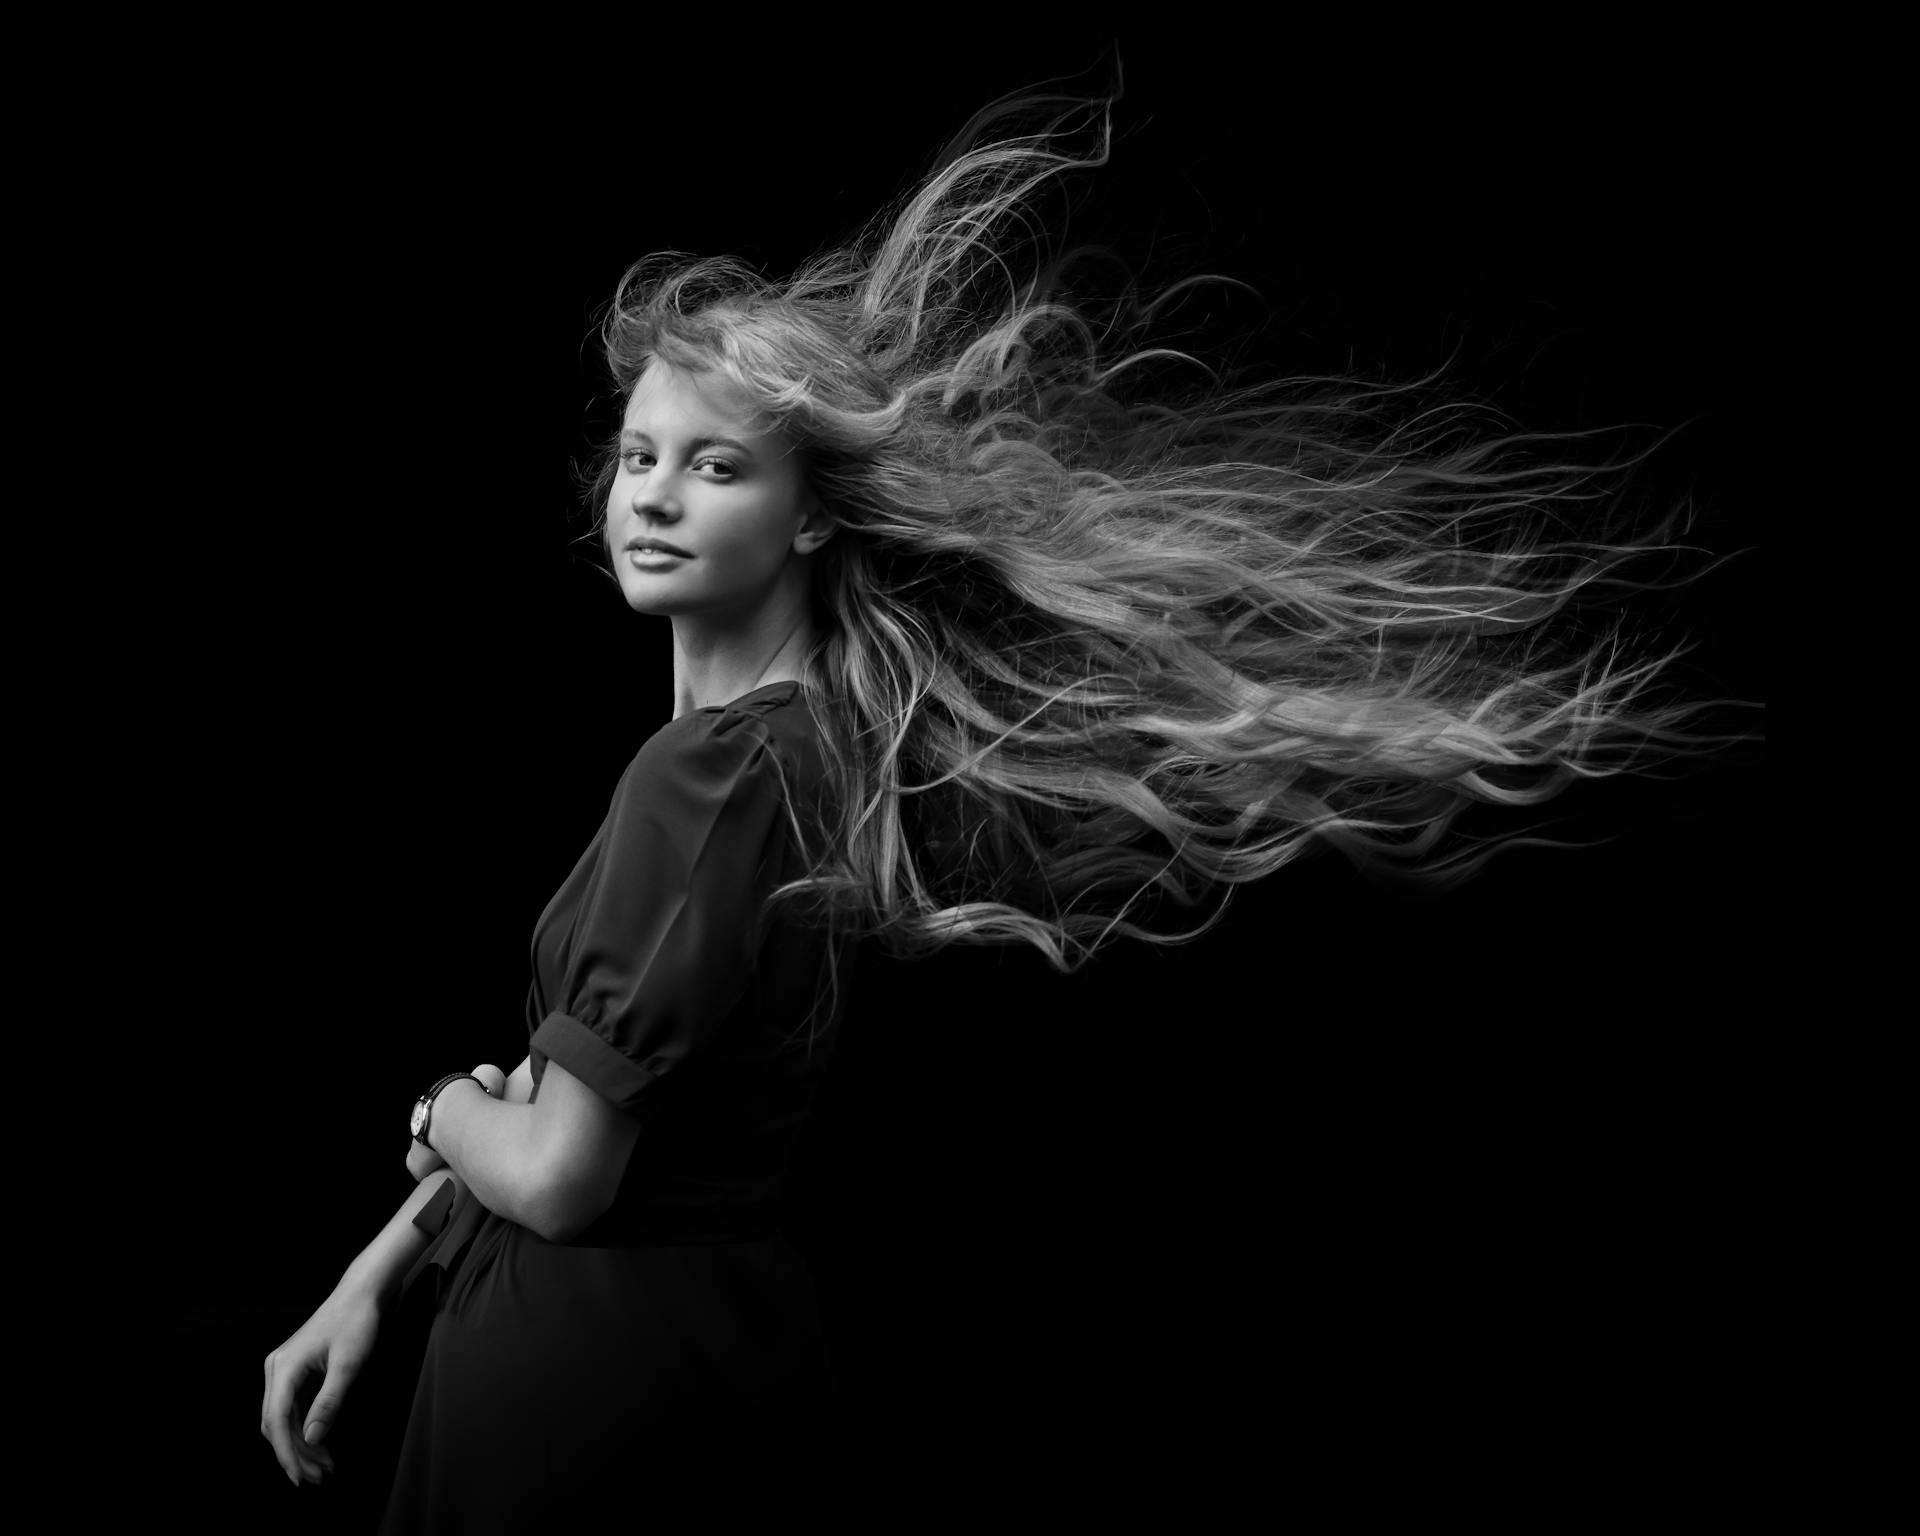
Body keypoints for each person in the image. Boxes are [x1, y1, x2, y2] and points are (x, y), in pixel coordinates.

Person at [258, 85, 1751, 1530]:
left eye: (714, 467)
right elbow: (593, 1079)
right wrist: (377, 1273)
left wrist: (438, 1110)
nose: (652, 494)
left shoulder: (701, 777)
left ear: (811, 514)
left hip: (582, 1398)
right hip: (713, 1357)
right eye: (639, 458)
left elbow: (566, 1173)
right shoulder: (816, 748)